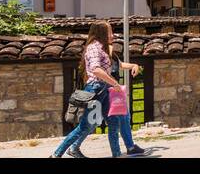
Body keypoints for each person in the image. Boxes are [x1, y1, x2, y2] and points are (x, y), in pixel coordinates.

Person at [52, 21, 141, 158]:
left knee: (113, 122)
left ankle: (117, 155)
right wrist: (115, 84)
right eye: (109, 31)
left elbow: (115, 65)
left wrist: (132, 66)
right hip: (96, 90)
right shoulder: (94, 48)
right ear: (101, 33)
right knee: (85, 127)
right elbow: (96, 70)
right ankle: (57, 154)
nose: (112, 34)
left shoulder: (103, 48)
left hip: (104, 90)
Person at [106, 54, 146, 157]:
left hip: (115, 93)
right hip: (105, 93)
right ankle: (74, 146)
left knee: (124, 117)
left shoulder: (111, 55)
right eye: (110, 36)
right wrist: (115, 84)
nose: (113, 37)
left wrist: (134, 65)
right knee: (88, 126)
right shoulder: (100, 53)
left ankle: (130, 147)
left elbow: (120, 65)